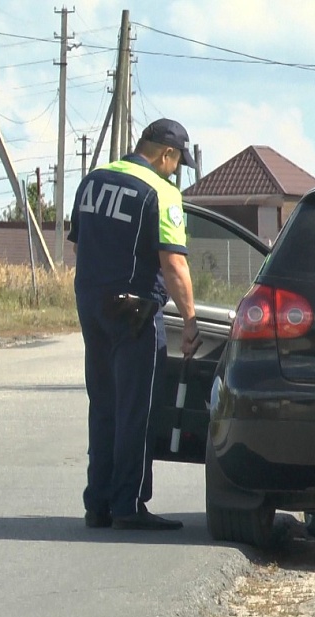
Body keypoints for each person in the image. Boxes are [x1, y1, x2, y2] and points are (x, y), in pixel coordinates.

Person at [67, 118, 201, 531]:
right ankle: (128, 504)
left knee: (103, 405)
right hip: (135, 310)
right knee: (136, 411)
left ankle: (98, 503)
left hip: (91, 302)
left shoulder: (93, 180)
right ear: (167, 154)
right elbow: (174, 263)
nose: (175, 171)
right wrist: (191, 319)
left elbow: (80, 244)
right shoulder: (161, 192)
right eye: (176, 163)